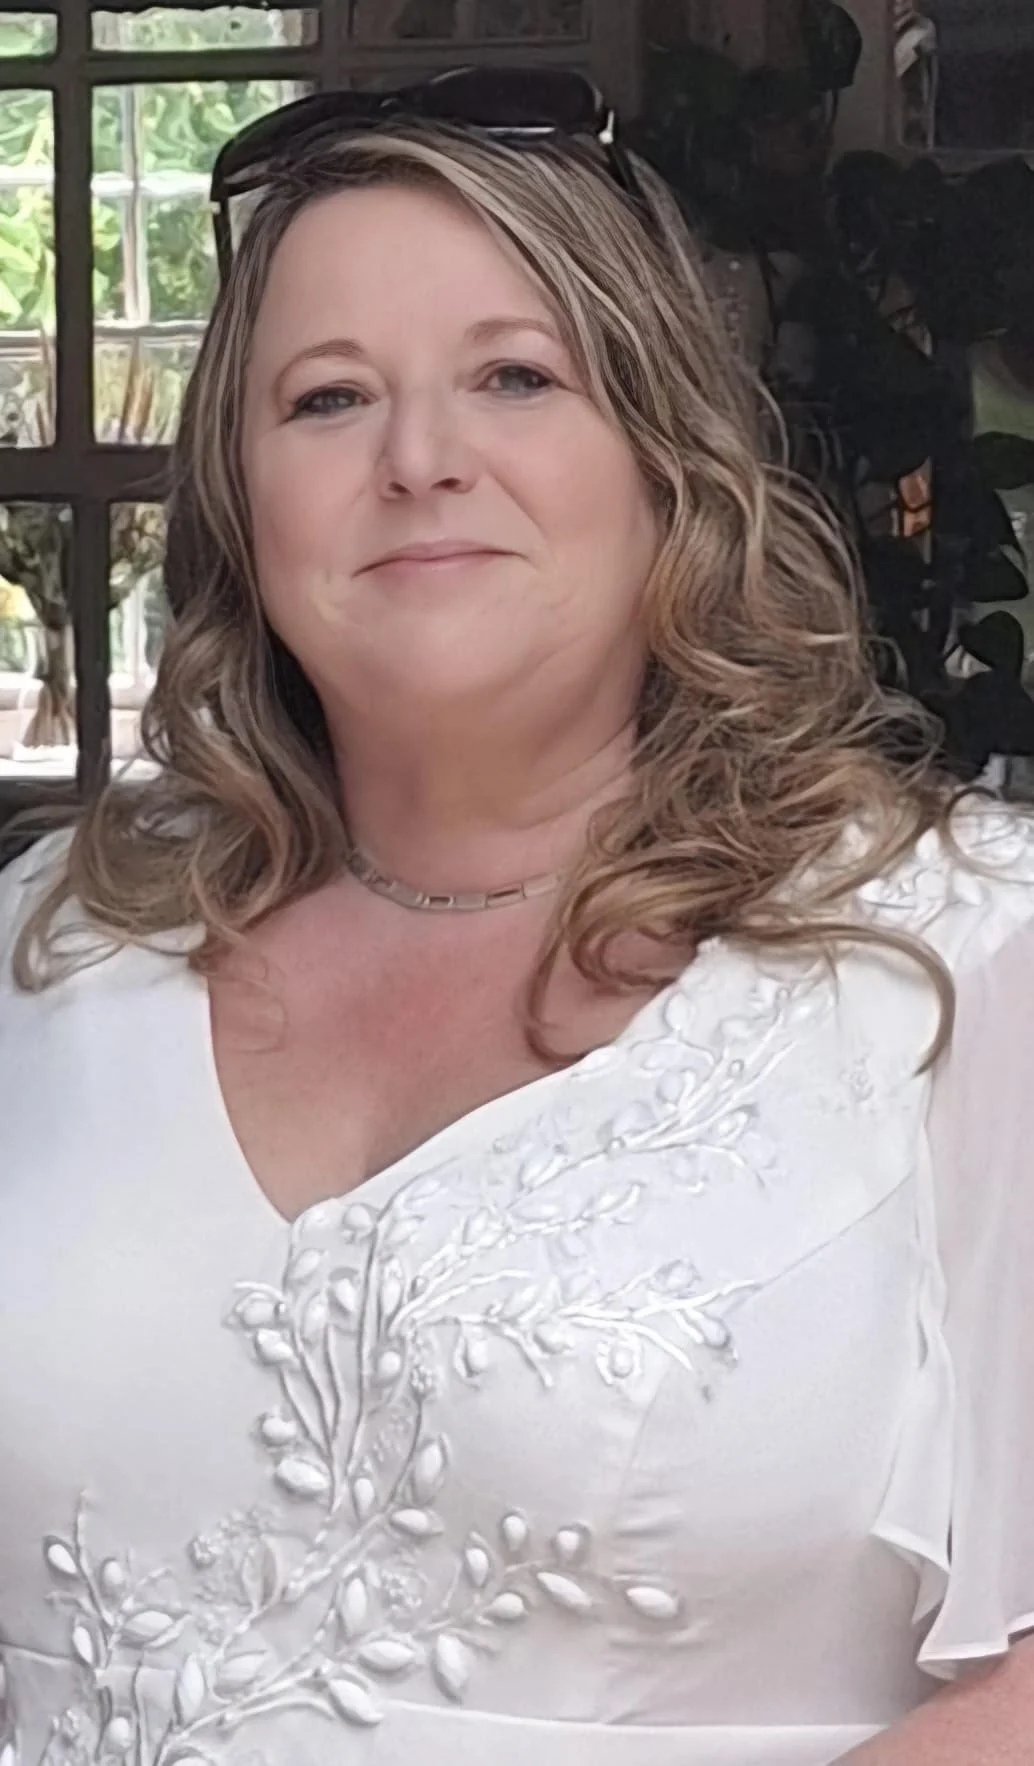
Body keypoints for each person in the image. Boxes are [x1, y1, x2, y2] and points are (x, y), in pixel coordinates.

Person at [1, 64, 1034, 1766]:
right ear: (239, 502)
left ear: (667, 461)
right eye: (328, 399)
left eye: (513, 376)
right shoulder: (63, 937)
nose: (422, 458)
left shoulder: (959, 954)